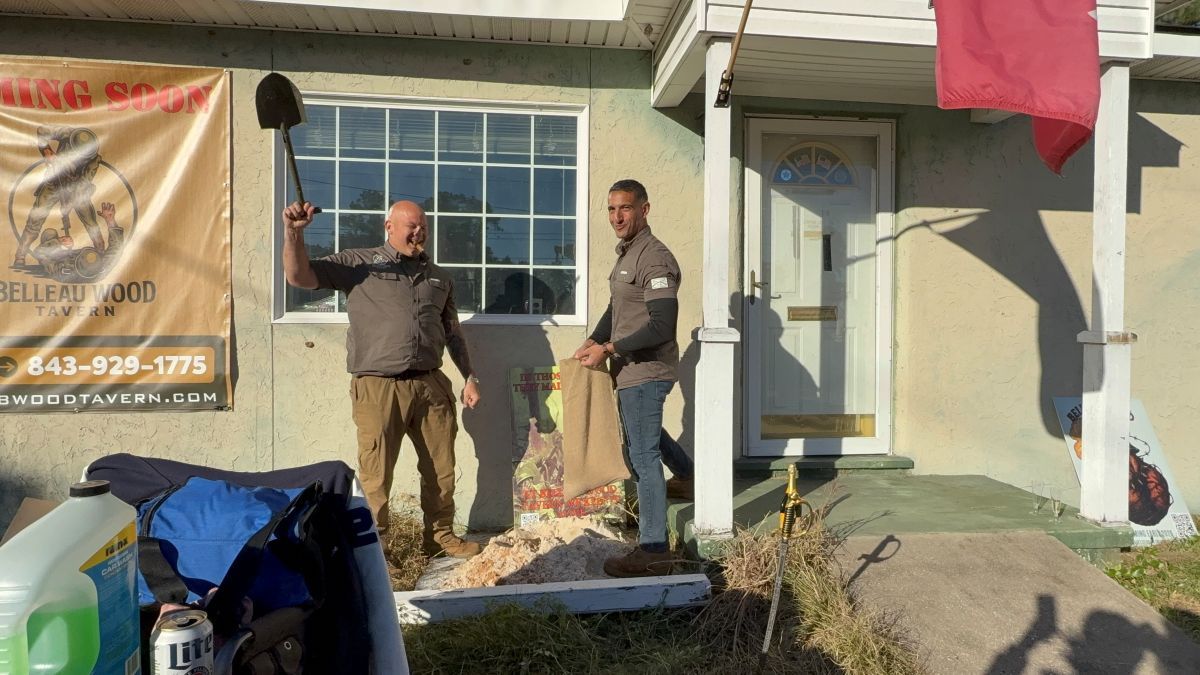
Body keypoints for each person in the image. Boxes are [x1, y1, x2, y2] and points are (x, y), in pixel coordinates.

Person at [282, 199, 483, 559]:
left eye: (423, 227)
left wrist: (469, 376)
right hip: (378, 386)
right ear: (389, 227)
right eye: (411, 226)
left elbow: (452, 332)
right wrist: (294, 234)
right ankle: (378, 551)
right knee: (376, 475)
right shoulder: (358, 264)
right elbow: (300, 277)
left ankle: (439, 537)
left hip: (430, 384)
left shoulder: (439, 277)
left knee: (441, 470)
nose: (419, 233)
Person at [575, 179, 695, 578]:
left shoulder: (654, 258)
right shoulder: (628, 253)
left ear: (644, 209)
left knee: (642, 457)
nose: (617, 217)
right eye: (611, 209)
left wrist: (609, 349)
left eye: (625, 208)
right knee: (645, 434)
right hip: (629, 370)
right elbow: (617, 308)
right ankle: (688, 476)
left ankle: (654, 550)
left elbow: (662, 326)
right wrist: (594, 339)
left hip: (647, 371)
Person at [13, 126, 108, 268]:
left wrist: (68, 204)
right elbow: (42, 131)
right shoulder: (67, 134)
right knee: (35, 218)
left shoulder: (93, 160)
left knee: (90, 221)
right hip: (54, 182)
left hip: (76, 188)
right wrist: (47, 151)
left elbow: (82, 185)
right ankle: (20, 256)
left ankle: (100, 255)